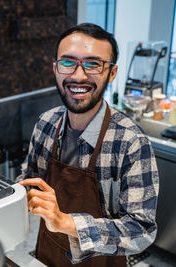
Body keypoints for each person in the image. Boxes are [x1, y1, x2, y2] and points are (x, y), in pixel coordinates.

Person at [18, 23, 159, 267]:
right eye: (68, 62)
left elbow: (142, 230)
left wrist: (65, 223)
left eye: (93, 64)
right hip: (48, 255)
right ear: (56, 69)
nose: (78, 76)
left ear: (112, 73)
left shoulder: (131, 143)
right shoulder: (45, 123)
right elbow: (29, 182)